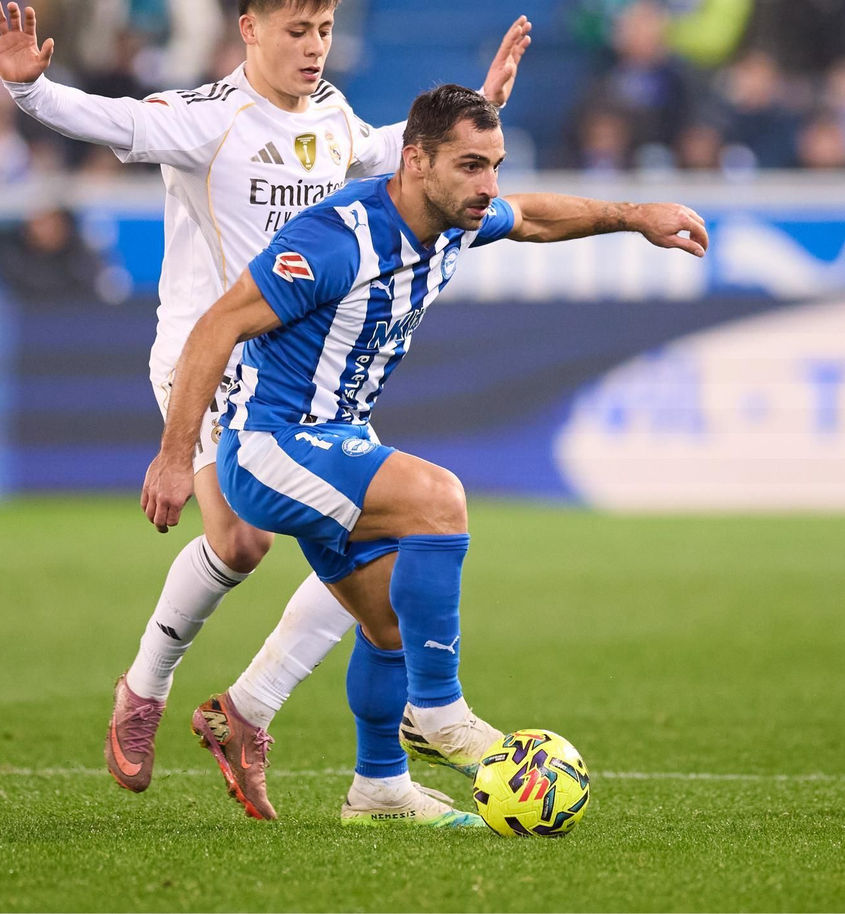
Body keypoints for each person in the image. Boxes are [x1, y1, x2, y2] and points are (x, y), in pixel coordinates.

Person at [0, 0, 532, 819]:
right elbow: (115, 121)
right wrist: (29, 91)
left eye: (325, 30)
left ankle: (262, 717)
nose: (314, 47)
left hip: (292, 374)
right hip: (206, 355)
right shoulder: (209, 119)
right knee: (240, 544)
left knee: (383, 554)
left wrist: (484, 107)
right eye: (297, 30)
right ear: (250, 30)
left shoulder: (334, 117)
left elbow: (400, 148)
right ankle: (145, 689)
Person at [140, 84, 706, 825]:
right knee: (439, 498)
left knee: (396, 627)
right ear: (415, 160)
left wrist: (636, 218)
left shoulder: (456, 217)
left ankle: (378, 786)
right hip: (270, 446)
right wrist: (176, 457)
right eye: (471, 166)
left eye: (495, 165)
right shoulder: (336, 239)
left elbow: (532, 216)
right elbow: (214, 328)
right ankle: (439, 712)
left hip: (336, 440)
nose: (488, 186)